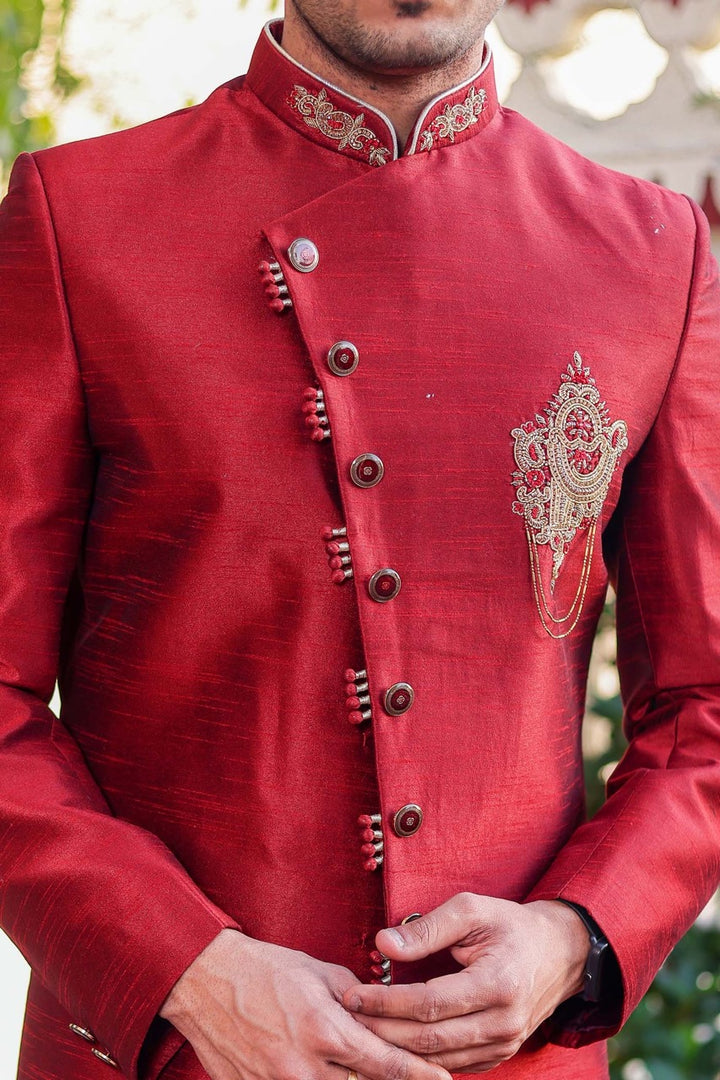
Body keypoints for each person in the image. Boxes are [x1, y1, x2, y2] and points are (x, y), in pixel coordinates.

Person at [1, 1, 718, 1078]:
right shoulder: (81, 217)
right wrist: (186, 969)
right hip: (157, 1054)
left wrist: (577, 934)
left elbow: (707, 704)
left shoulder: (655, 252)